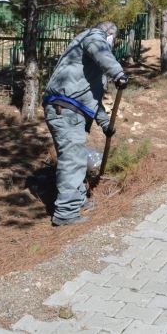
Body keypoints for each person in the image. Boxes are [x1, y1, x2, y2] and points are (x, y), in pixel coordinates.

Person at [43, 21, 129, 226]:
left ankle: (78, 200)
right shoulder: (94, 36)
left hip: (68, 109)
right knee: (72, 161)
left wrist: (105, 124)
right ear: (109, 34)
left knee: (77, 158)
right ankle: (66, 213)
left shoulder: (86, 64)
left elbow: (91, 100)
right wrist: (117, 73)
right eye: (113, 40)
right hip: (65, 110)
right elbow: (99, 47)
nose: (112, 44)